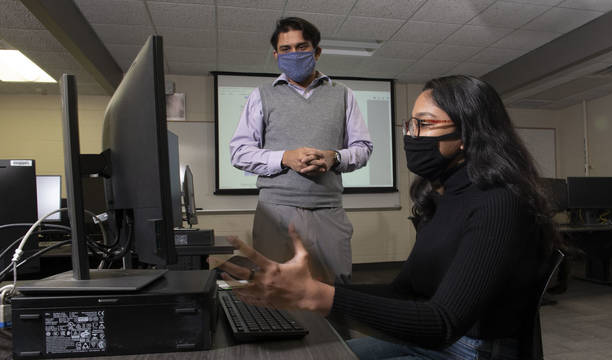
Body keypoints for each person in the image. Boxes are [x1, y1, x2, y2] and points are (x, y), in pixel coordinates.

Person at [219, 75, 562, 360]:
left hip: (471, 350)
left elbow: (443, 321)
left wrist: (316, 296)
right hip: (432, 341)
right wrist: (315, 287)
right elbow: (404, 293)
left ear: (468, 133)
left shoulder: (499, 203)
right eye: (410, 124)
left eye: (424, 125)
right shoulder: (442, 197)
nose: (410, 135)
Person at [229, 17, 373, 284]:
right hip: (275, 212)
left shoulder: (343, 94)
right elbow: (239, 152)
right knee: (275, 289)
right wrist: (285, 158)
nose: (293, 54)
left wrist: (335, 157)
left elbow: (363, 148)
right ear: (276, 55)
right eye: (286, 49)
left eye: (301, 47)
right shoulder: (260, 95)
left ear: (316, 52)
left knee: (333, 289)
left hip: (328, 210)